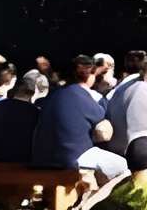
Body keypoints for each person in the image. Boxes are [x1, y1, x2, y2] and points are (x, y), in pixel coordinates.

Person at [34, 56, 126, 192]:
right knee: (121, 166)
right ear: (90, 75)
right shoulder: (83, 96)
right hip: (71, 158)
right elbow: (104, 133)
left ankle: (85, 194)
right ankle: (90, 204)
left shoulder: (53, 95)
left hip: (42, 158)